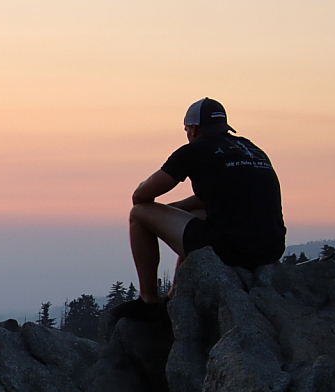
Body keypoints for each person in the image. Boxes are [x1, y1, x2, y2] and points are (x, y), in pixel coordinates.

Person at [114, 97, 286, 320]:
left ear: (193, 129)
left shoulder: (194, 151)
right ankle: (174, 299)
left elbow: (141, 197)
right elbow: (213, 199)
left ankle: (148, 301)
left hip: (232, 249)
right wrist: (172, 213)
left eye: (186, 130)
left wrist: (155, 214)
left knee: (138, 215)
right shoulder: (250, 148)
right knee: (198, 217)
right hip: (271, 248)